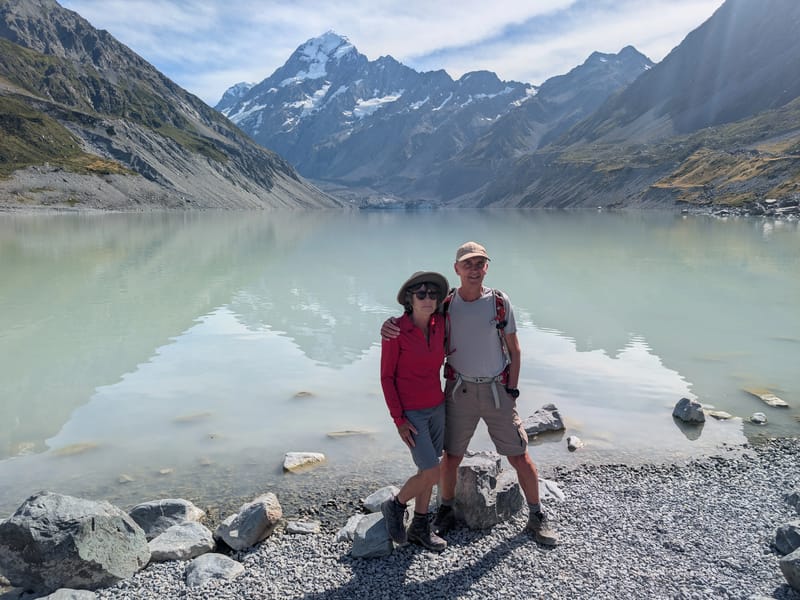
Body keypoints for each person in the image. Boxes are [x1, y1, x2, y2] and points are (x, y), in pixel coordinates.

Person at [381, 242, 558, 546]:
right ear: (457, 269)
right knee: (451, 457)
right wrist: (388, 326)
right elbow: (414, 320)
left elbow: (514, 349)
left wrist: (512, 389)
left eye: (480, 264)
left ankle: (536, 514)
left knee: (519, 455)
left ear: (486, 267)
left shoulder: (499, 302)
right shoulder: (446, 304)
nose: (474, 270)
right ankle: (445, 510)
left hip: (496, 389)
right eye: (468, 264)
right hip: (458, 390)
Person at [379, 271, 450, 552]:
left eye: (433, 294)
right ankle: (395, 505)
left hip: (438, 406)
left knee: (427, 468)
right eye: (421, 294)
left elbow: (463, 297)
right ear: (409, 299)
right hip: (412, 413)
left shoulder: (441, 323)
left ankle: (420, 526)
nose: (427, 299)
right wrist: (398, 420)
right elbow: (387, 378)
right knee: (432, 471)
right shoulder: (395, 331)